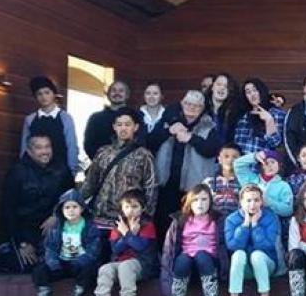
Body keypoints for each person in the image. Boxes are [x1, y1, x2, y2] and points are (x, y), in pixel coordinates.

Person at [81, 108, 157, 256]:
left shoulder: (144, 155)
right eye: (119, 124)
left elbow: (151, 187)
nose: (123, 128)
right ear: (114, 127)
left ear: (135, 127)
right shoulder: (103, 152)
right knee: (96, 259)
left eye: (127, 124)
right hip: (101, 216)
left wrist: (145, 217)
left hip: (126, 218)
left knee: (119, 259)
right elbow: (90, 183)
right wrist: (77, 203)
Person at [149, 90, 222, 238]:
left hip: (192, 189)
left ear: (202, 108)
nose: (191, 107)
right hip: (165, 184)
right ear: (182, 104)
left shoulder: (209, 126)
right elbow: (150, 142)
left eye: (196, 106)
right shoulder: (168, 122)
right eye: (188, 103)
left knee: (189, 228)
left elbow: (212, 149)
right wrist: (169, 131)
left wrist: (191, 138)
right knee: (163, 226)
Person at [2, 132, 73, 273]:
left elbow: (71, 198)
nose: (45, 151)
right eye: (39, 148)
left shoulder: (62, 170)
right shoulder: (17, 173)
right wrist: (21, 243)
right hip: (24, 230)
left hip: (52, 229)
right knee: (25, 266)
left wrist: (56, 215)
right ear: (29, 150)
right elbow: (8, 209)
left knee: (61, 266)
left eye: (47, 147)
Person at [83, 189, 157, 296]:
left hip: (142, 265)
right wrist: (128, 235)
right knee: (105, 268)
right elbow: (116, 249)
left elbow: (141, 246)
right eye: (127, 207)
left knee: (126, 266)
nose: (130, 210)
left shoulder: (147, 225)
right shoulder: (118, 226)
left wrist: (128, 235)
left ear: (143, 208)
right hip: (120, 262)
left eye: (135, 206)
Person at [160, 184, 227, 296]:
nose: (200, 204)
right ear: (189, 202)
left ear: (210, 201)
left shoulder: (218, 219)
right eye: (195, 200)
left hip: (210, 258)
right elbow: (169, 248)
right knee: (182, 260)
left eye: (204, 199)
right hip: (187, 256)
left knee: (202, 256)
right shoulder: (180, 220)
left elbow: (224, 245)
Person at [29, 190, 100, 296]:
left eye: (74, 207)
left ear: (82, 209)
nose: (71, 210)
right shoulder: (56, 227)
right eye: (67, 207)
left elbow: (93, 250)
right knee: (39, 270)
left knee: (90, 270)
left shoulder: (90, 228)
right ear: (61, 210)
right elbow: (50, 247)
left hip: (79, 263)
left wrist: (81, 262)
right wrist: (53, 262)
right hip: (61, 262)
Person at [221, 184, 280, 296]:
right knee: (238, 254)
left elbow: (266, 246)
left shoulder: (270, 218)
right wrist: (245, 225)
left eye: (256, 200)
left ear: (261, 202)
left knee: (257, 255)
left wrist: (255, 225)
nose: (252, 204)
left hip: (266, 263)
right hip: (244, 267)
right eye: (248, 200)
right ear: (241, 202)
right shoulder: (231, 219)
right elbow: (233, 245)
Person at [20, 76, 79, 174]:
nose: (44, 97)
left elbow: (71, 146)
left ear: (53, 94)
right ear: (35, 97)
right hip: (34, 171)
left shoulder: (65, 118)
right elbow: (24, 146)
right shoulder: (30, 119)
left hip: (60, 170)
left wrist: (71, 171)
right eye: (39, 94)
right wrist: (23, 169)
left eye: (47, 92)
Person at [233, 78, 287, 156]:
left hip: (264, 165)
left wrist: (269, 121)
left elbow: (275, 143)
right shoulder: (242, 117)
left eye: (255, 90)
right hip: (242, 164)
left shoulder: (277, 114)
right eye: (248, 92)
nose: (252, 94)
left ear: (262, 91)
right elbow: (237, 144)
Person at [234, 150, 293, 218]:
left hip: (271, 223)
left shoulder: (284, 186)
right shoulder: (251, 180)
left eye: (273, 162)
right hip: (248, 220)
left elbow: (288, 210)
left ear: (279, 165)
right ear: (261, 166)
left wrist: (268, 202)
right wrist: (254, 157)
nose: (270, 166)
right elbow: (237, 164)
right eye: (266, 163)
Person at [83, 80, 132, 160]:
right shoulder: (95, 118)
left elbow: (138, 143)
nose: (117, 93)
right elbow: (88, 145)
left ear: (127, 95)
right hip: (101, 166)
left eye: (121, 91)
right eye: (114, 90)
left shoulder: (135, 117)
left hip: (128, 167)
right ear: (108, 94)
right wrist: (102, 162)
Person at [202, 143, 242, 219]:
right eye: (226, 156)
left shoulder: (243, 182)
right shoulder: (208, 182)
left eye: (235, 157)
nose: (230, 160)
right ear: (219, 159)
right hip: (213, 222)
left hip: (235, 222)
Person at [207, 73, 239, 143]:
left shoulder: (234, 111)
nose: (222, 88)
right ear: (212, 87)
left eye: (226, 86)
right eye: (219, 84)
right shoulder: (202, 106)